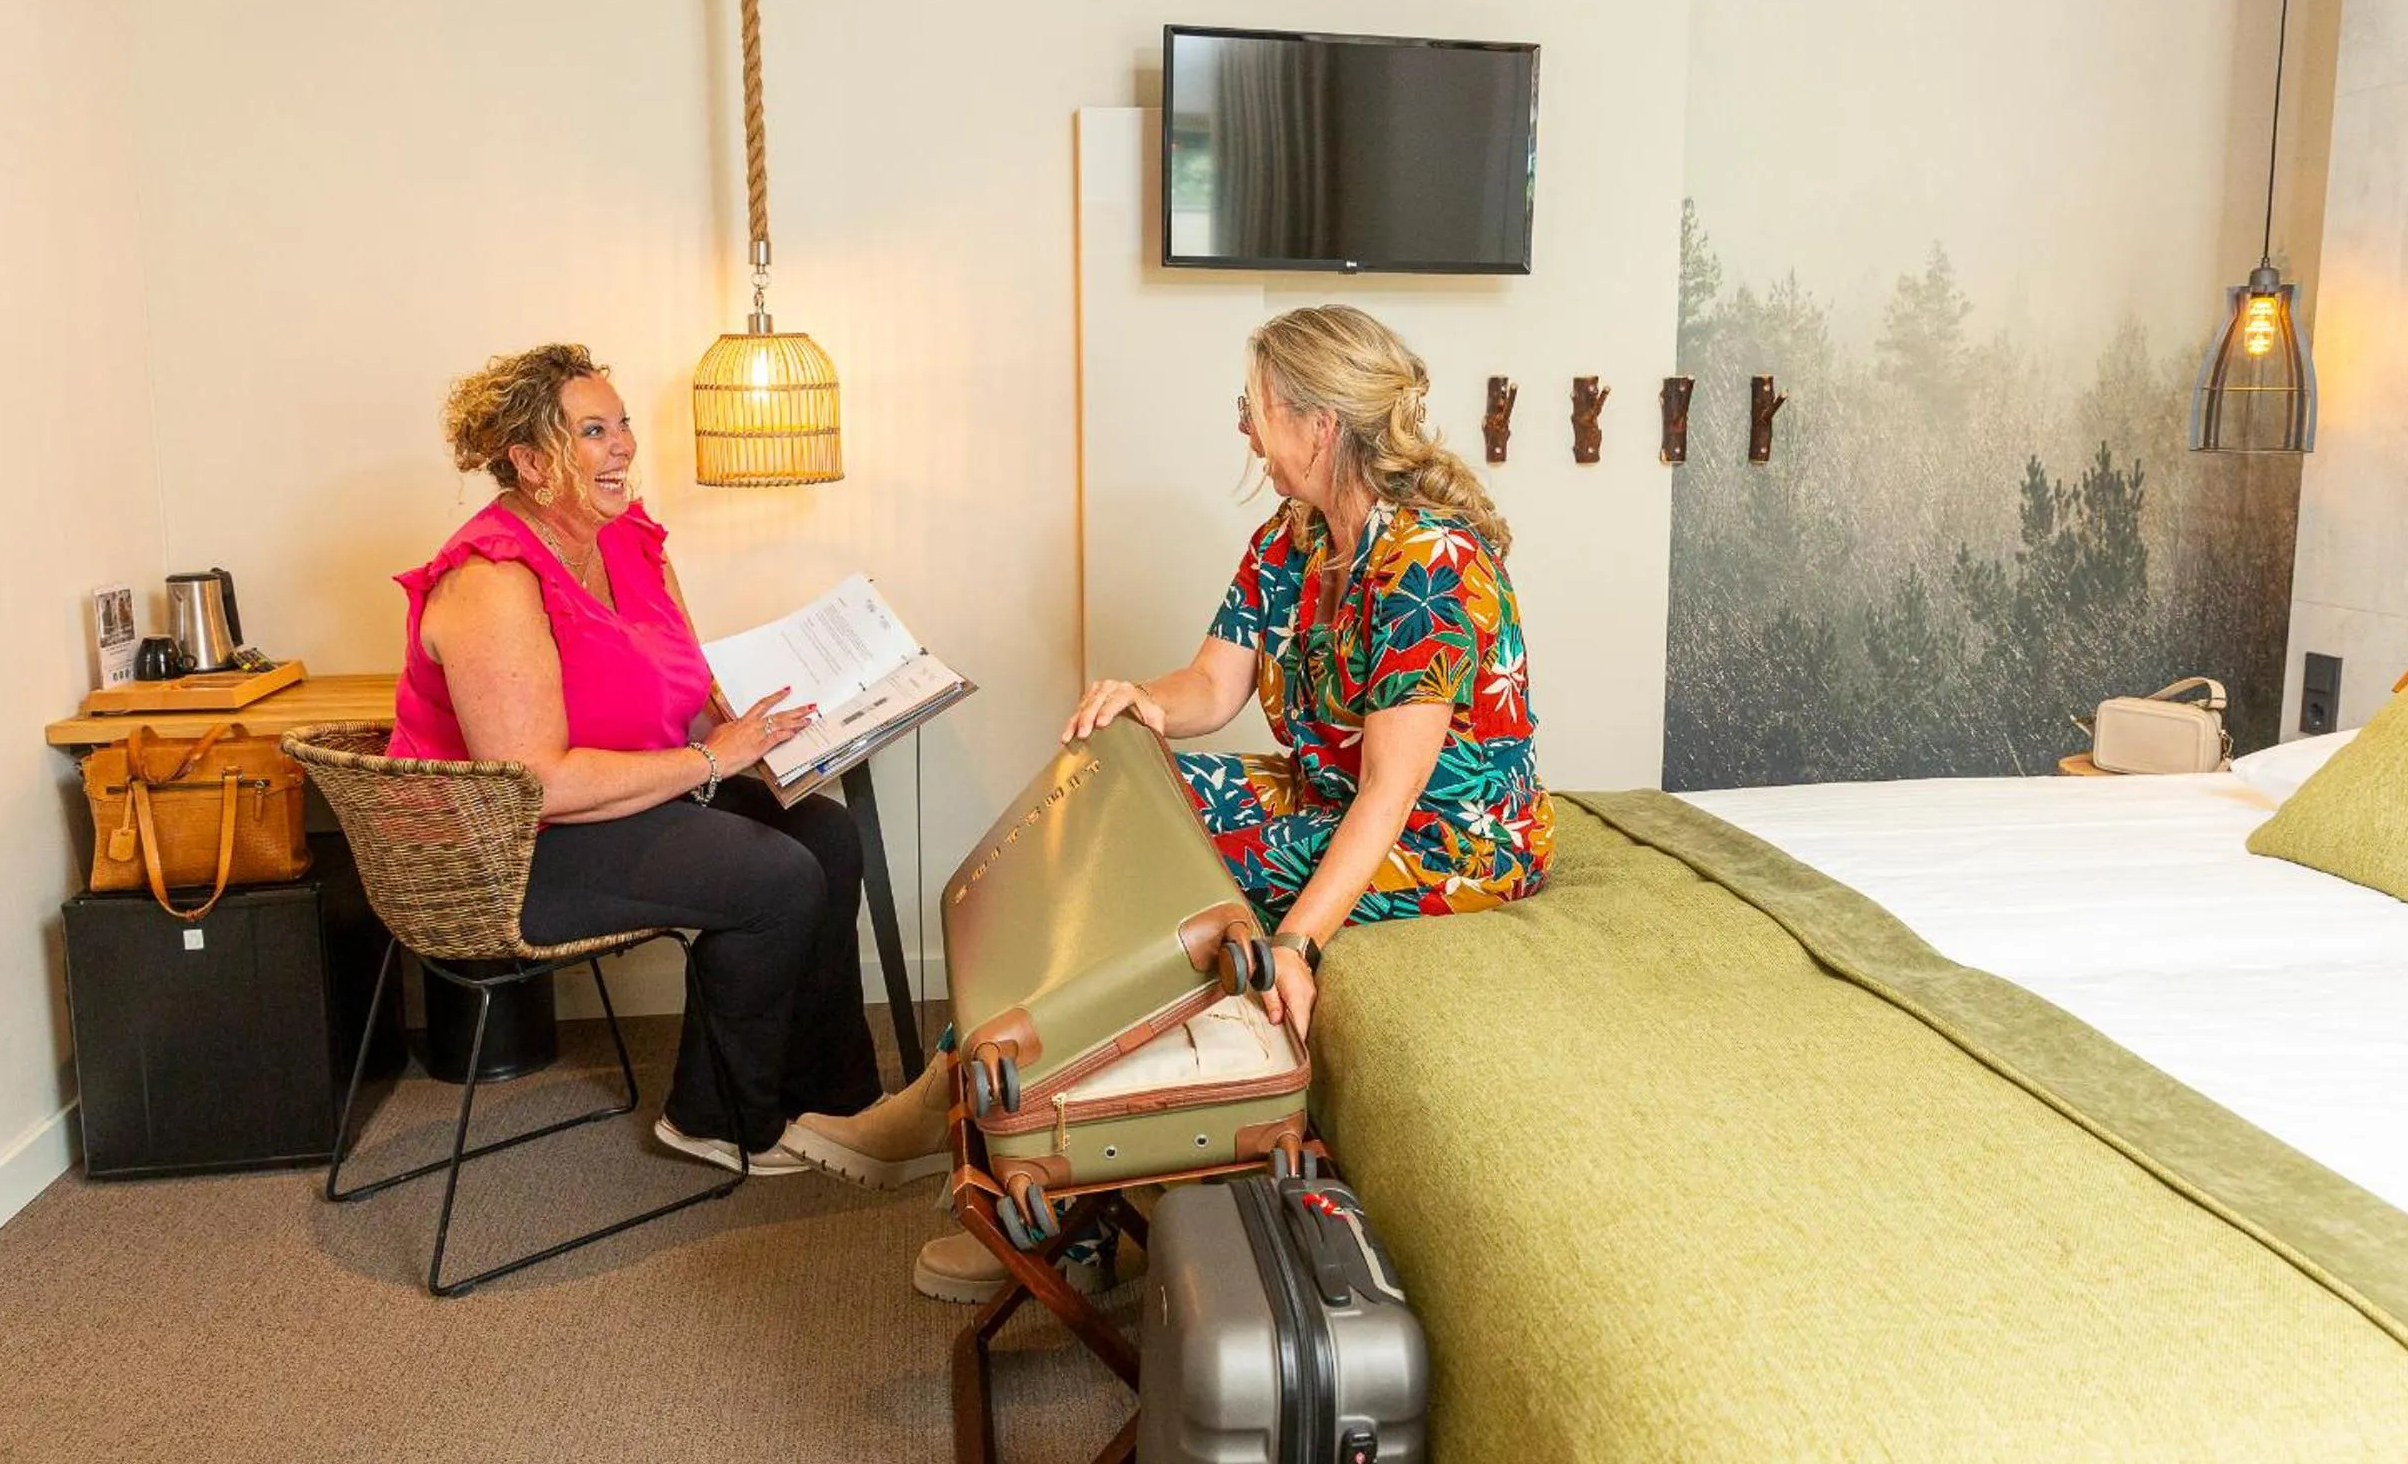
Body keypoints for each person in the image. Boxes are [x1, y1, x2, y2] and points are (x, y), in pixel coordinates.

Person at [786, 303, 1554, 1301]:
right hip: (1331, 791)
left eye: (1255, 407)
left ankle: (1051, 1195)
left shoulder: (1429, 567)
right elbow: (1212, 685)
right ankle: (976, 1093)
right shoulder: (1293, 537)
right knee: (1115, 794)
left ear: (1319, 424)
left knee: (1163, 887)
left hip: (1451, 837)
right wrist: (1143, 702)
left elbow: (1389, 790)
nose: (1244, 427)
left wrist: (1296, 943)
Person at [389, 342, 902, 1177]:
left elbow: (686, 691)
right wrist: (711, 758)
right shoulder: (491, 578)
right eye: (593, 430)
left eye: (621, 422)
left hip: (628, 798)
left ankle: (833, 1099)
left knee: (827, 836)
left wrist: (768, 737)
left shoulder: (631, 538)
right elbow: (535, 784)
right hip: (516, 851)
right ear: (530, 461)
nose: (624, 444)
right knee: (774, 877)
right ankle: (714, 1116)